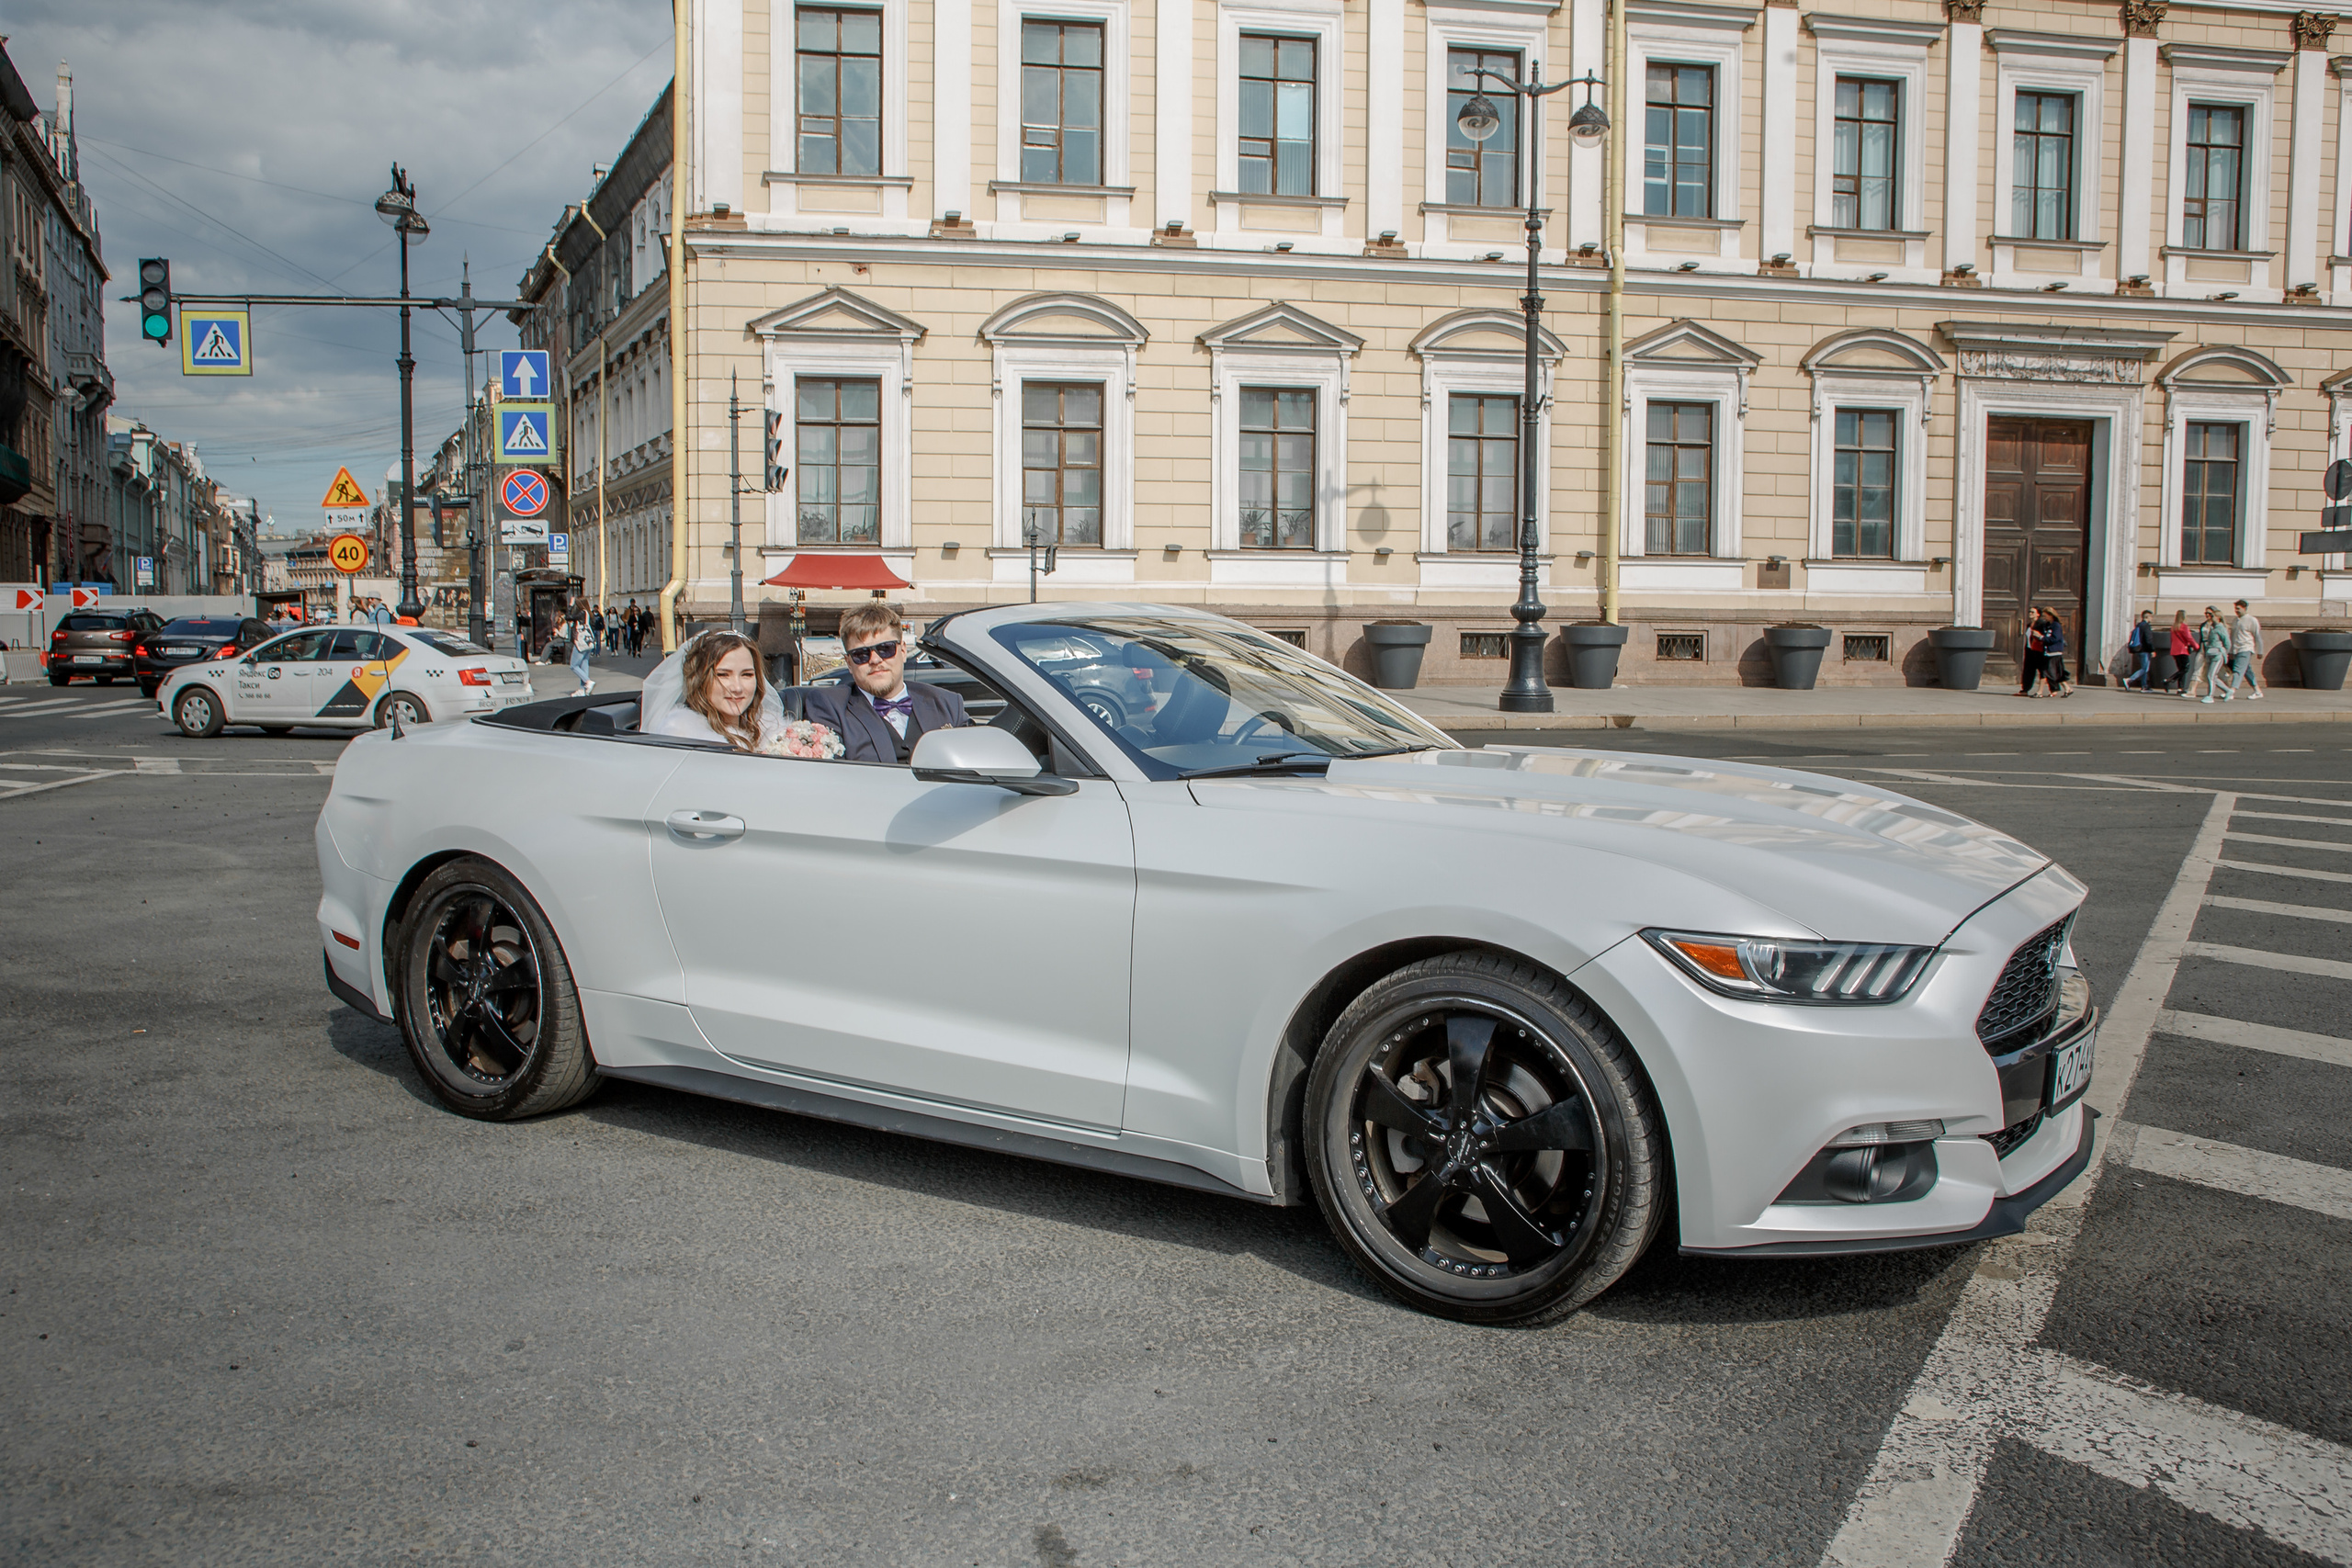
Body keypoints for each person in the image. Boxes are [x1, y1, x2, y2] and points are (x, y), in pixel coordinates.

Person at [804, 602, 968, 761]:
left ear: (903, 651)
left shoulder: (947, 704)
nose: (875, 660)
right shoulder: (830, 708)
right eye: (861, 654)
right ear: (849, 663)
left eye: (885, 649)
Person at [639, 629, 819, 753]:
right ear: (700, 680)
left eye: (747, 675)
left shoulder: (770, 729)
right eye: (723, 675)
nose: (737, 687)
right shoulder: (682, 736)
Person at [2221, 598, 2265, 700]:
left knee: (2237, 670)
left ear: (2244, 608)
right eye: (2235, 609)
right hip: (2236, 649)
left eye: (2238, 609)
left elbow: (2257, 636)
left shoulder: (2251, 620)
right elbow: (2232, 636)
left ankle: (2231, 691)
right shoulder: (2235, 620)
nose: (2236, 611)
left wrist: (2260, 651)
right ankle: (2257, 691)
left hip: (2246, 648)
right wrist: (2230, 651)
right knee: (2246, 671)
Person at [2185, 605, 2230, 702]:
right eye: (2206, 614)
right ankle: (2192, 690)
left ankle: (2217, 693)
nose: (2208, 616)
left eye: (2210, 614)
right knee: (2199, 668)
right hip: (2205, 649)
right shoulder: (2206, 625)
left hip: (2217, 652)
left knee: (2214, 674)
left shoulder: (2220, 627)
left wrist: (2224, 652)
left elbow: (2227, 642)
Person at [2037, 608, 2075, 697]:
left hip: (2055, 652)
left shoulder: (2056, 625)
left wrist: (2041, 638)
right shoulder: (2047, 625)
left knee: (2052, 672)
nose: (2044, 618)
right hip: (2048, 652)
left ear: (2051, 615)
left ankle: (2062, 688)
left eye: (2046, 616)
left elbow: (2055, 638)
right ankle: (2066, 688)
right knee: (2054, 672)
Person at [561, 604, 594, 696]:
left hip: (580, 643)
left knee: (573, 665)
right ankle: (583, 690)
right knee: (584, 665)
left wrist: (570, 606)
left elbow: (568, 617)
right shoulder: (588, 613)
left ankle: (588, 682)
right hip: (588, 642)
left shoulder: (581, 613)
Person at [2018, 607, 2047, 697]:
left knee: (2043, 670)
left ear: (2038, 614)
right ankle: (2025, 689)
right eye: (2030, 611)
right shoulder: (2029, 625)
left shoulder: (2042, 624)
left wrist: (2040, 636)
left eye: (2032, 612)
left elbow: (2045, 636)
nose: (2030, 613)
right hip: (2029, 649)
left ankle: (2053, 688)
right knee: (2028, 669)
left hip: (2039, 650)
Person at [2123, 610, 2155, 691]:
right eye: (2151, 616)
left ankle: (2144, 686)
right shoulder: (2146, 626)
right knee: (2145, 669)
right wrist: (2152, 650)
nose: (2152, 618)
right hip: (2145, 649)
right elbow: (2148, 639)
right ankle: (2129, 679)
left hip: (2139, 649)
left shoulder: (2139, 625)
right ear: (2147, 617)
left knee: (2144, 668)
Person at [2166, 610, 2196, 694]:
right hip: (2183, 650)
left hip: (2175, 650)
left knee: (2181, 669)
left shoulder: (2174, 627)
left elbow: (2172, 640)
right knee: (2185, 668)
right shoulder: (2184, 626)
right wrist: (2196, 646)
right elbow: (2189, 638)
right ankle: (2169, 680)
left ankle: (2180, 688)